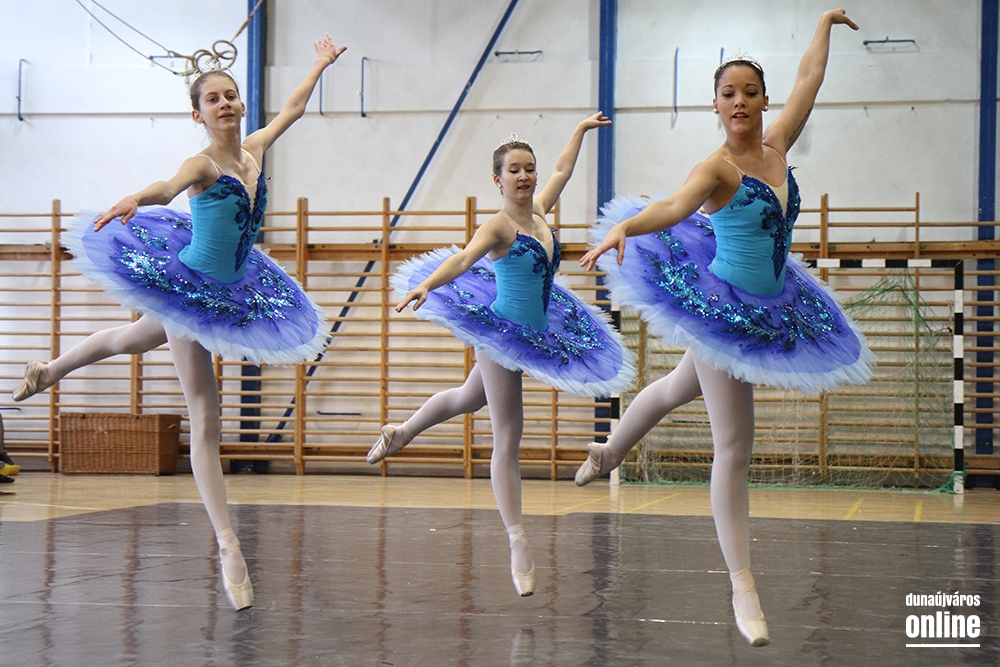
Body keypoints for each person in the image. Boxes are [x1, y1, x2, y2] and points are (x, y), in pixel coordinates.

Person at [11, 34, 346, 610]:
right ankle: (228, 545)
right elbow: (168, 187)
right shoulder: (202, 164)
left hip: (233, 285)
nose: (224, 104)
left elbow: (292, 108)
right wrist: (136, 199)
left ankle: (49, 370)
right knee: (205, 414)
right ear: (198, 115)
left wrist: (318, 63)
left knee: (131, 338)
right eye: (212, 99)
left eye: (230, 95)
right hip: (189, 288)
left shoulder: (255, 150)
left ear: (241, 104)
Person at [575, 10, 872, 646]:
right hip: (723, 310)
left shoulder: (778, 145)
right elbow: (672, 206)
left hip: (772, 303)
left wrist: (822, 21)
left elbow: (810, 78)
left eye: (750, 92)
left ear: (763, 101)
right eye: (728, 93)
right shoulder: (716, 169)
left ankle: (610, 449)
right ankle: (742, 583)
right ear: (716, 105)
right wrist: (626, 226)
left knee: (676, 386)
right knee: (735, 443)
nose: (740, 101)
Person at [369, 114, 636, 597]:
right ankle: (517, 539)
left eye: (529, 168)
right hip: (501, 333)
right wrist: (428, 285)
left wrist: (578, 131)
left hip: (537, 330)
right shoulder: (498, 226)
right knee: (508, 433)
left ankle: (401, 430)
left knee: (468, 398)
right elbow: (462, 259)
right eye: (514, 170)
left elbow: (563, 170)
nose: (525, 176)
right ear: (498, 179)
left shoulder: (541, 212)